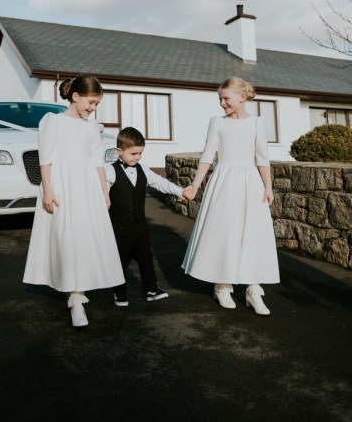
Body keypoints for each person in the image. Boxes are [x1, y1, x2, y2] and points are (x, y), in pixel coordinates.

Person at [23, 75, 125, 327]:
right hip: (61, 185)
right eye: (91, 102)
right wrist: (47, 190)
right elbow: (45, 158)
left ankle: (79, 289)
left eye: (96, 104)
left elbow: (97, 161)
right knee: (67, 237)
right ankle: (74, 297)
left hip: (87, 186)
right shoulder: (52, 121)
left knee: (84, 237)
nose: (93, 107)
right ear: (75, 96)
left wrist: (104, 191)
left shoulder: (91, 126)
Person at [182, 77, 280, 315]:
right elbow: (207, 156)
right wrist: (195, 184)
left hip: (251, 184)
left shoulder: (257, 122)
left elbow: (262, 158)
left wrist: (268, 187)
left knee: (253, 233)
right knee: (224, 232)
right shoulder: (217, 122)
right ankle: (222, 285)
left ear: (242, 97)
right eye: (220, 98)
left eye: (225, 98)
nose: (222, 103)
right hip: (223, 182)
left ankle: (253, 289)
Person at [105, 126, 186, 306]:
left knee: (146, 258)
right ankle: (119, 292)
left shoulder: (143, 169)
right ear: (119, 151)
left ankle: (151, 289)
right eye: (134, 153)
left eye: (140, 153)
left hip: (140, 226)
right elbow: (100, 193)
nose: (138, 157)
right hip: (118, 227)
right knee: (120, 260)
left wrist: (180, 192)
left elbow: (161, 183)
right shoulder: (109, 171)